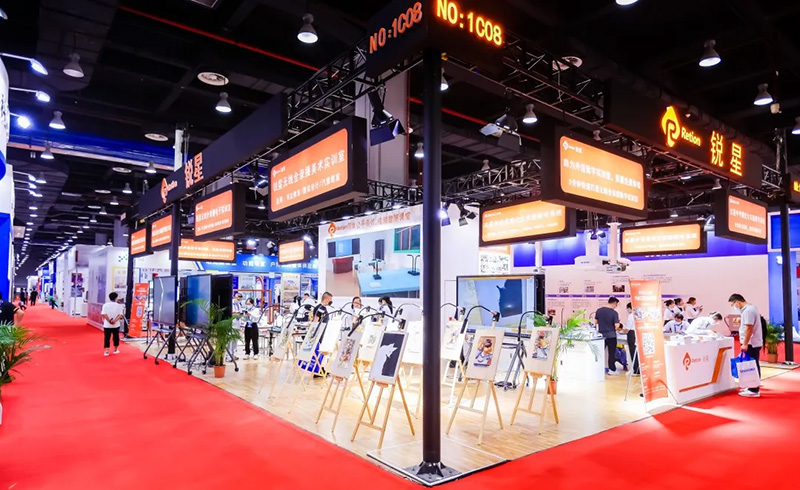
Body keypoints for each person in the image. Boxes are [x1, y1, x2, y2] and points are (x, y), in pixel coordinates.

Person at [729, 293, 763, 397]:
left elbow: (749, 328)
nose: (733, 307)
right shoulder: (750, 309)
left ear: (737, 302)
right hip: (752, 342)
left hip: (751, 343)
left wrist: (745, 343)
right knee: (750, 364)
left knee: (752, 365)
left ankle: (754, 389)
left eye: (733, 304)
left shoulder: (748, 310)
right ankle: (751, 386)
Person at [595, 297, 623, 376]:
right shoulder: (614, 313)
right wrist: (617, 323)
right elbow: (616, 326)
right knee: (612, 353)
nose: (616, 306)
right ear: (614, 303)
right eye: (616, 305)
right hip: (611, 336)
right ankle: (612, 370)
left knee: (600, 353)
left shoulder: (599, 310)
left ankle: (598, 368)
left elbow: (596, 322)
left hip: (601, 336)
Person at [101, 292, 125, 356]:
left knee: (107, 337)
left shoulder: (105, 305)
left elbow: (104, 314)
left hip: (107, 325)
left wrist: (109, 321)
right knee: (116, 337)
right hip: (116, 324)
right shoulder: (119, 306)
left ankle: (106, 351)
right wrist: (115, 321)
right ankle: (115, 349)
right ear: (116, 298)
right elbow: (120, 315)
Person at [619, 302, 639, 376]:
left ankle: (635, 370)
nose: (627, 310)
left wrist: (621, 331)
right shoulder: (638, 314)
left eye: (627, 308)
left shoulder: (631, 316)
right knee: (636, 352)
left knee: (632, 352)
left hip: (631, 334)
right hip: (637, 333)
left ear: (630, 308)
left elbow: (627, 328)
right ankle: (637, 369)